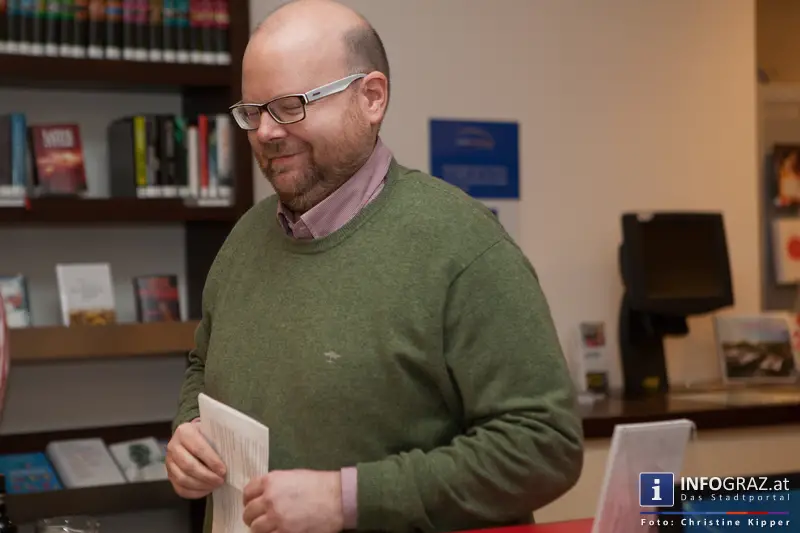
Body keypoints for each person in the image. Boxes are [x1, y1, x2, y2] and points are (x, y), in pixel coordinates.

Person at [165, 1, 584, 532]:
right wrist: (190, 429)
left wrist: (348, 498)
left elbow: (545, 448)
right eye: (253, 111)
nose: (267, 132)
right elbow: (202, 366)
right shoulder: (244, 240)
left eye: (290, 105)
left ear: (371, 98)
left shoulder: (462, 245)